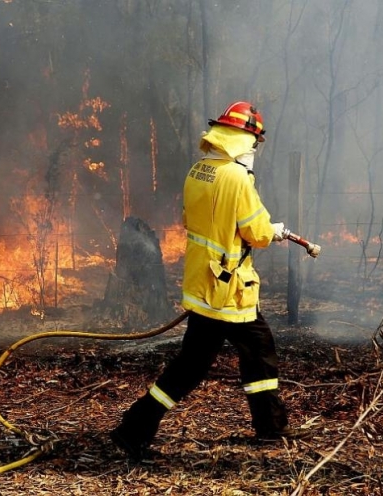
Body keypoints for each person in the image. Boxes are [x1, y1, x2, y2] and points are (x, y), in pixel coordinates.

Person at [110, 101, 302, 461]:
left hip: (202, 284)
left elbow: (191, 219)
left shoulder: (199, 170)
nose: (255, 149)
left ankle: (132, 430)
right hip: (230, 292)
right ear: (243, 139)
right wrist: (273, 232)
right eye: (255, 141)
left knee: (189, 367)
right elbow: (256, 232)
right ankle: (271, 429)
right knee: (260, 355)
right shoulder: (237, 178)